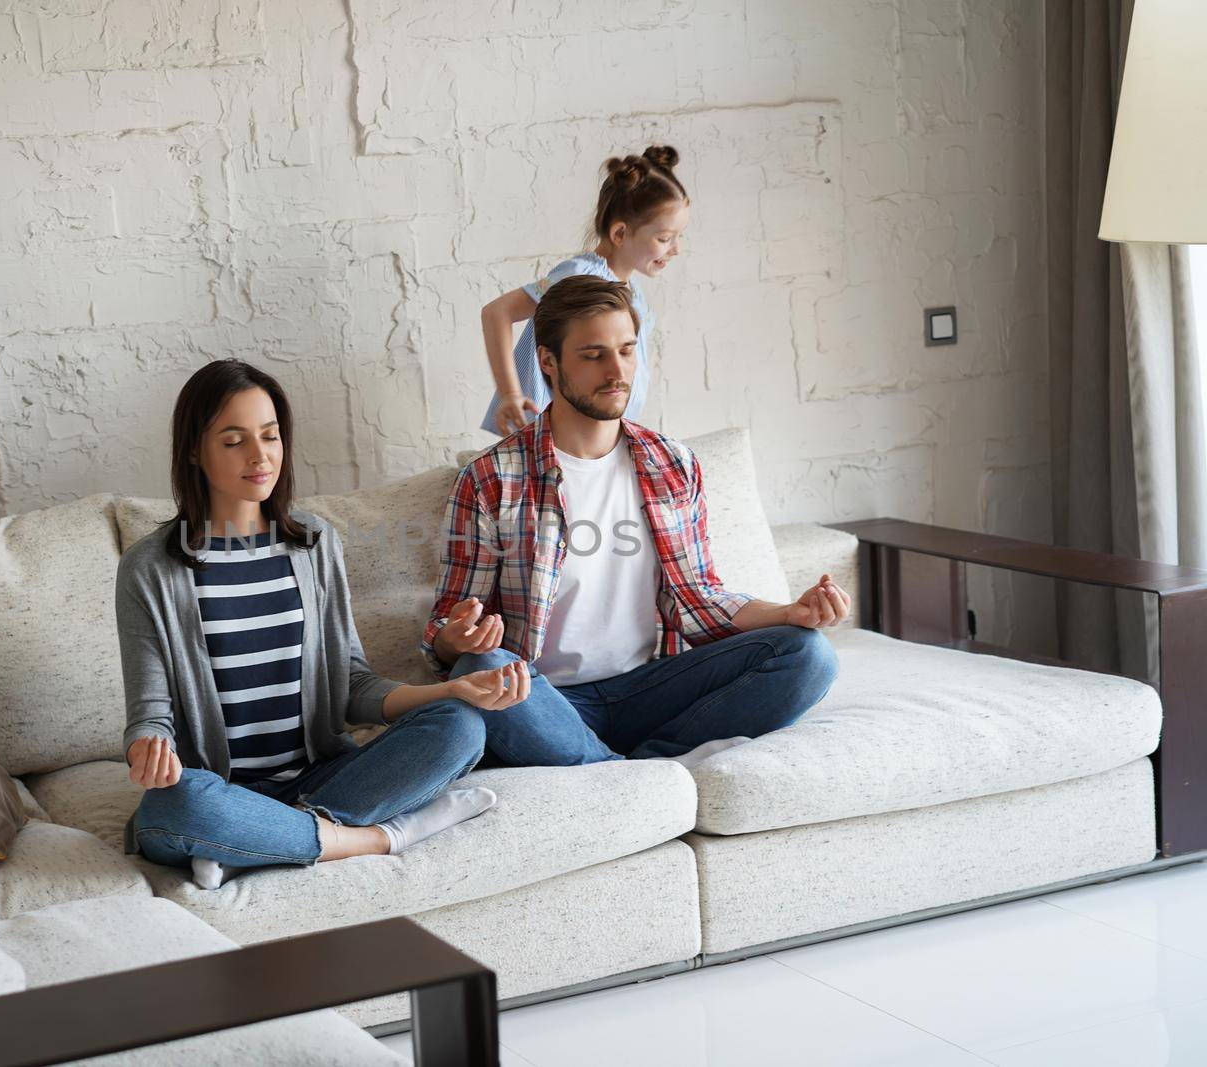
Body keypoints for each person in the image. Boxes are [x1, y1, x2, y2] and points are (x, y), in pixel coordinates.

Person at [118, 359, 525, 890]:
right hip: (221, 790)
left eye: (270, 435)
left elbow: (351, 687)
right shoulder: (151, 568)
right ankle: (378, 837)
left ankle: (261, 843)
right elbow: (149, 718)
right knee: (177, 806)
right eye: (234, 440)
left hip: (320, 778)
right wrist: (150, 751)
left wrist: (452, 689)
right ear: (194, 451)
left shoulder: (313, 544)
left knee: (459, 726)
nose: (260, 455)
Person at [427, 275, 845, 769]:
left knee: (808, 655)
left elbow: (700, 596)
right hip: (544, 699)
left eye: (626, 350)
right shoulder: (491, 479)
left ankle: (636, 765)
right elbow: (446, 625)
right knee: (484, 667)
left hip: (651, 686)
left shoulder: (671, 463)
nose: (617, 370)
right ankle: (625, 774)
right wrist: (457, 638)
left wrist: (789, 614)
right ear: (548, 362)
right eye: (593, 355)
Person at [479, 144, 689, 437]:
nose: (677, 249)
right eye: (665, 238)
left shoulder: (633, 293)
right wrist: (510, 394)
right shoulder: (576, 275)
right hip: (552, 438)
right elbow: (496, 312)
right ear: (619, 233)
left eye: (680, 236)